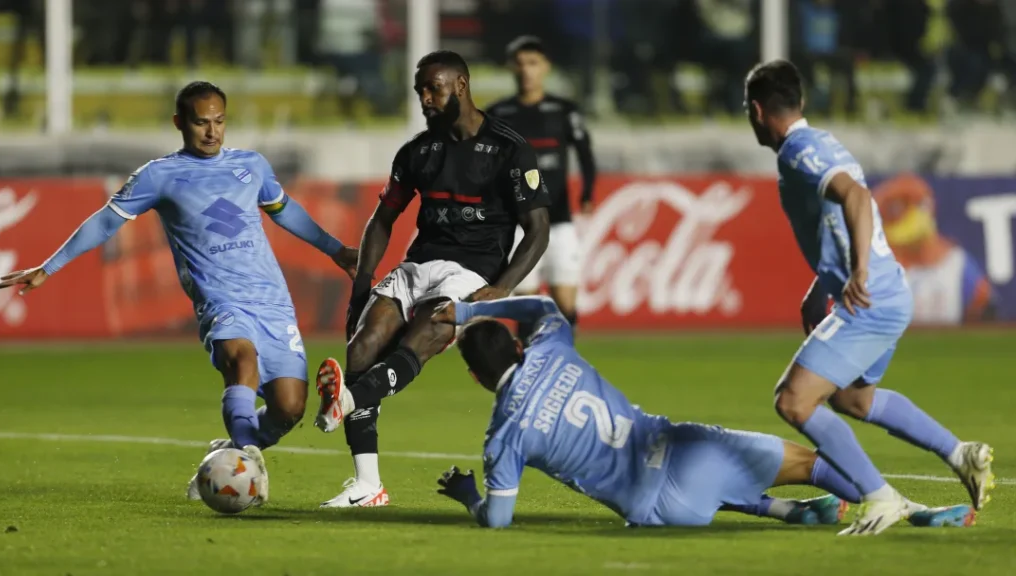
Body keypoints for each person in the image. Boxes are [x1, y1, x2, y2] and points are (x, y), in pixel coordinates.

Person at [0, 81, 357, 505]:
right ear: (179, 123)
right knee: (241, 359)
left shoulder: (251, 166)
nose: (212, 131)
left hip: (273, 301)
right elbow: (106, 222)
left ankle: (228, 453)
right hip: (220, 301)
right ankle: (245, 460)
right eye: (201, 123)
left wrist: (336, 251)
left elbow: (285, 211)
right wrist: (49, 267)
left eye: (219, 121)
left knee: (290, 407)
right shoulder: (159, 175)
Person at [425, 295, 975, 531]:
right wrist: (472, 308)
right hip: (683, 454)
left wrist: (468, 495)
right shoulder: (550, 347)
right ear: (518, 347)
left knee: (704, 491)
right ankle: (911, 510)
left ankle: (789, 513)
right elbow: (543, 305)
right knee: (810, 462)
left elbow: (498, 519)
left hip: (658, 511)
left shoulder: (502, 437)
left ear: (475, 379)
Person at [743, 59, 994, 535]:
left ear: (756, 111)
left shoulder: (798, 150)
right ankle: (960, 453)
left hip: (869, 299)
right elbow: (840, 218)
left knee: (794, 401)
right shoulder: (820, 142)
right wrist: (823, 285)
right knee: (854, 400)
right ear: (800, 101)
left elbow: (856, 198)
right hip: (888, 293)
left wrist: (857, 273)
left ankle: (880, 498)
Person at [312, 50, 551, 508]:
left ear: (461, 85)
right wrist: (362, 285)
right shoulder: (417, 152)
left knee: (422, 336)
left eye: (433, 89)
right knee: (361, 347)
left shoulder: (509, 149)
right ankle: (368, 485)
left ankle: (345, 401)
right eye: (420, 91)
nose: (424, 98)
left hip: (472, 272)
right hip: (417, 266)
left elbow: (538, 231)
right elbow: (383, 220)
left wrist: (502, 287)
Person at [487, 36, 596, 342]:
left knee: (566, 305)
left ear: (546, 66)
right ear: (511, 67)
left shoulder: (564, 111)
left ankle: (562, 359)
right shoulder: (497, 114)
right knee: (526, 304)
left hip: (558, 220)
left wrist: (587, 193)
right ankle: (528, 363)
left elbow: (586, 155)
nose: (526, 70)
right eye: (520, 63)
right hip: (518, 224)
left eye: (533, 63)